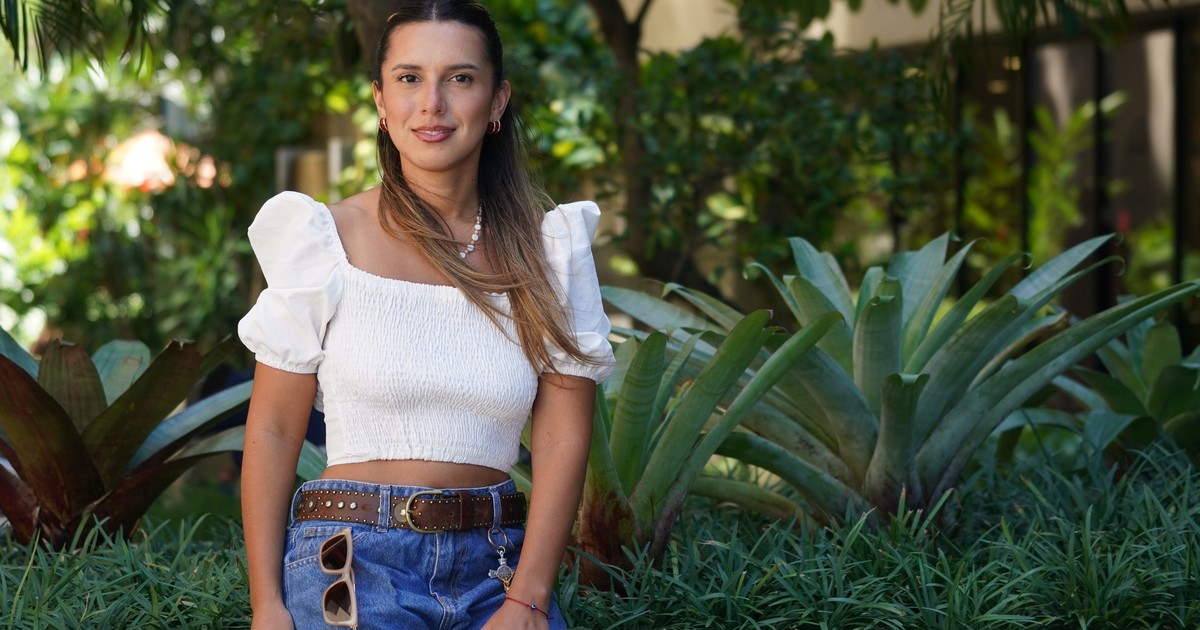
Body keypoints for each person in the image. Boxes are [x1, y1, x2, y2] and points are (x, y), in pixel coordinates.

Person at [236, 1, 615, 628]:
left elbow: (562, 437)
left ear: (496, 102)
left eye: (460, 78)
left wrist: (528, 598)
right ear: (381, 102)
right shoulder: (324, 240)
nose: (432, 103)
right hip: (352, 559)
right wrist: (267, 605)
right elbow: (274, 427)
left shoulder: (548, 251)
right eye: (409, 78)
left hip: (498, 566)